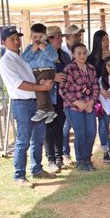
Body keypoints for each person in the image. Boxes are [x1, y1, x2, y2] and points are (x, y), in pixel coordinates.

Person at [0, 25, 57, 187]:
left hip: (35, 102)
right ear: (4, 42)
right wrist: (42, 88)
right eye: (12, 39)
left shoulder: (23, 56)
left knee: (38, 139)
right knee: (23, 141)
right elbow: (20, 84)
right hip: (22, 103)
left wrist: (42, 82)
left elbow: (33, 76)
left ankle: (37, 169)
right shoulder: (5, 61)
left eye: (18, 38)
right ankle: (19, 176)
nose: (16, 42)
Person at [60, 43, 100, 172]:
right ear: (73, 54)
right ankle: (80, 161)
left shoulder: (91, 68)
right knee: (81, 133)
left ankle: (87, 158)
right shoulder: (69, 69)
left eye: (84, 53)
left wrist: (92, 102)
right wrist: (77, 102)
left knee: (92, 132)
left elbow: (95, 87)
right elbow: (63, 90)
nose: (82, 56)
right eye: (79, 53)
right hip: (73, 107)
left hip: (89, 105)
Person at [44, 25, 72, 172]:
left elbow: (70, 72)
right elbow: (36, 75)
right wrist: (53, 77)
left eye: (60, 37)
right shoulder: (42, 56)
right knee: (49, 128)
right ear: (49, 39)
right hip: (47, 97)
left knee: (59, 127)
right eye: (57, 37)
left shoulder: (64, 55)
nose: (60, 40)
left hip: (61, 97)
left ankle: (59, 157)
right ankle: (51, 160)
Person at [21, 23, 58, 124]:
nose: (37, 39)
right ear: (31, 37)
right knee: (44, 90)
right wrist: (33, 49)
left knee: (39, 86)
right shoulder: (29, 48)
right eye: (35, 37)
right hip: (35, 73)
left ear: (45, 37)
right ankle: (50, 110)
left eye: (41, 37)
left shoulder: (49, 47)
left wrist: (44, 48)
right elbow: (25, 58)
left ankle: (41, 109)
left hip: (47, 70)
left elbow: (54, 57)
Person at [61, 24, 85, 167]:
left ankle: (81, 156)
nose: (78, 37)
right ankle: (65, 153)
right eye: (76, 35)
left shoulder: (81, 51)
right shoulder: (63, 53)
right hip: (68, 96)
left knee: (77, 127)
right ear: (67, 37)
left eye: (79, 35)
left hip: (82, 97)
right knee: (66, 126)